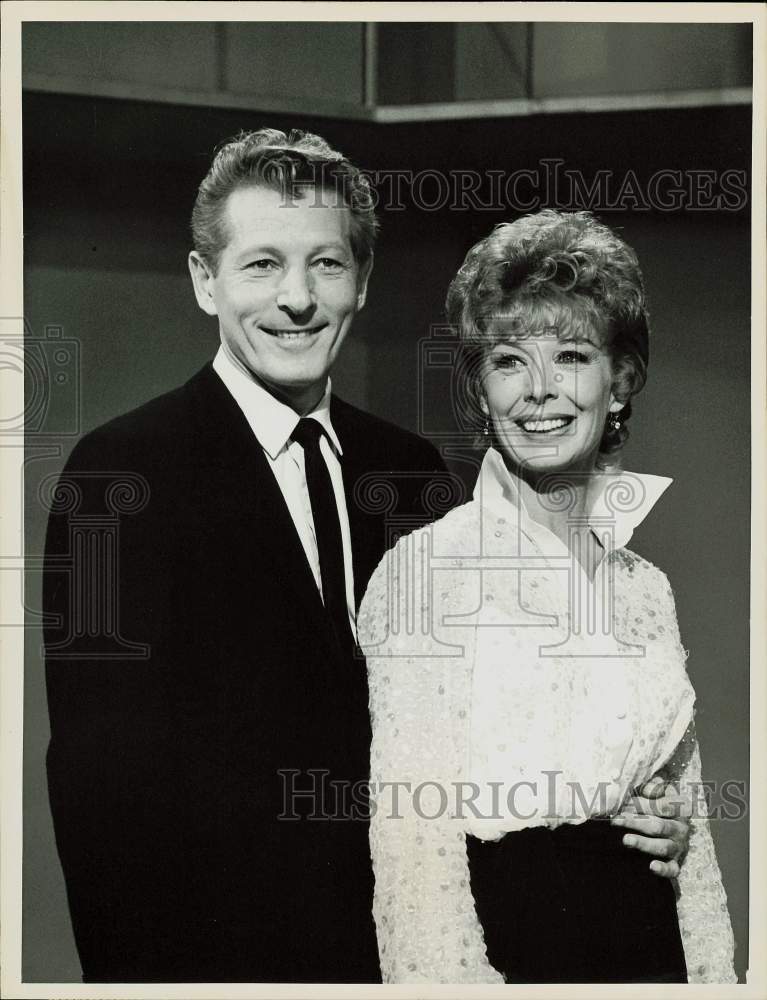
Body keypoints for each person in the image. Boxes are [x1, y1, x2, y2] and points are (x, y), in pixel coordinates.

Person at [43, 132, 691, 984]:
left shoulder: (413, 473)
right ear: (206, 282)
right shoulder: (119, 474)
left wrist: (640, 819)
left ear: (362, 283)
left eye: (326, 265)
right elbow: (99, 799)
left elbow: (501, 744)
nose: (298, 299)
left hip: (410, 962)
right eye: (263, 265)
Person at [358, 209, 736, 983]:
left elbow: (688, 839)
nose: (538, 392)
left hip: (649, 954)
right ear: (479, 386)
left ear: (618, 378)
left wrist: (712, 972)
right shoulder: (425, 573)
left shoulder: (644, 589)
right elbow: (411, 853)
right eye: (507, 361)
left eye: (569, 355)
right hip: (516, 961)